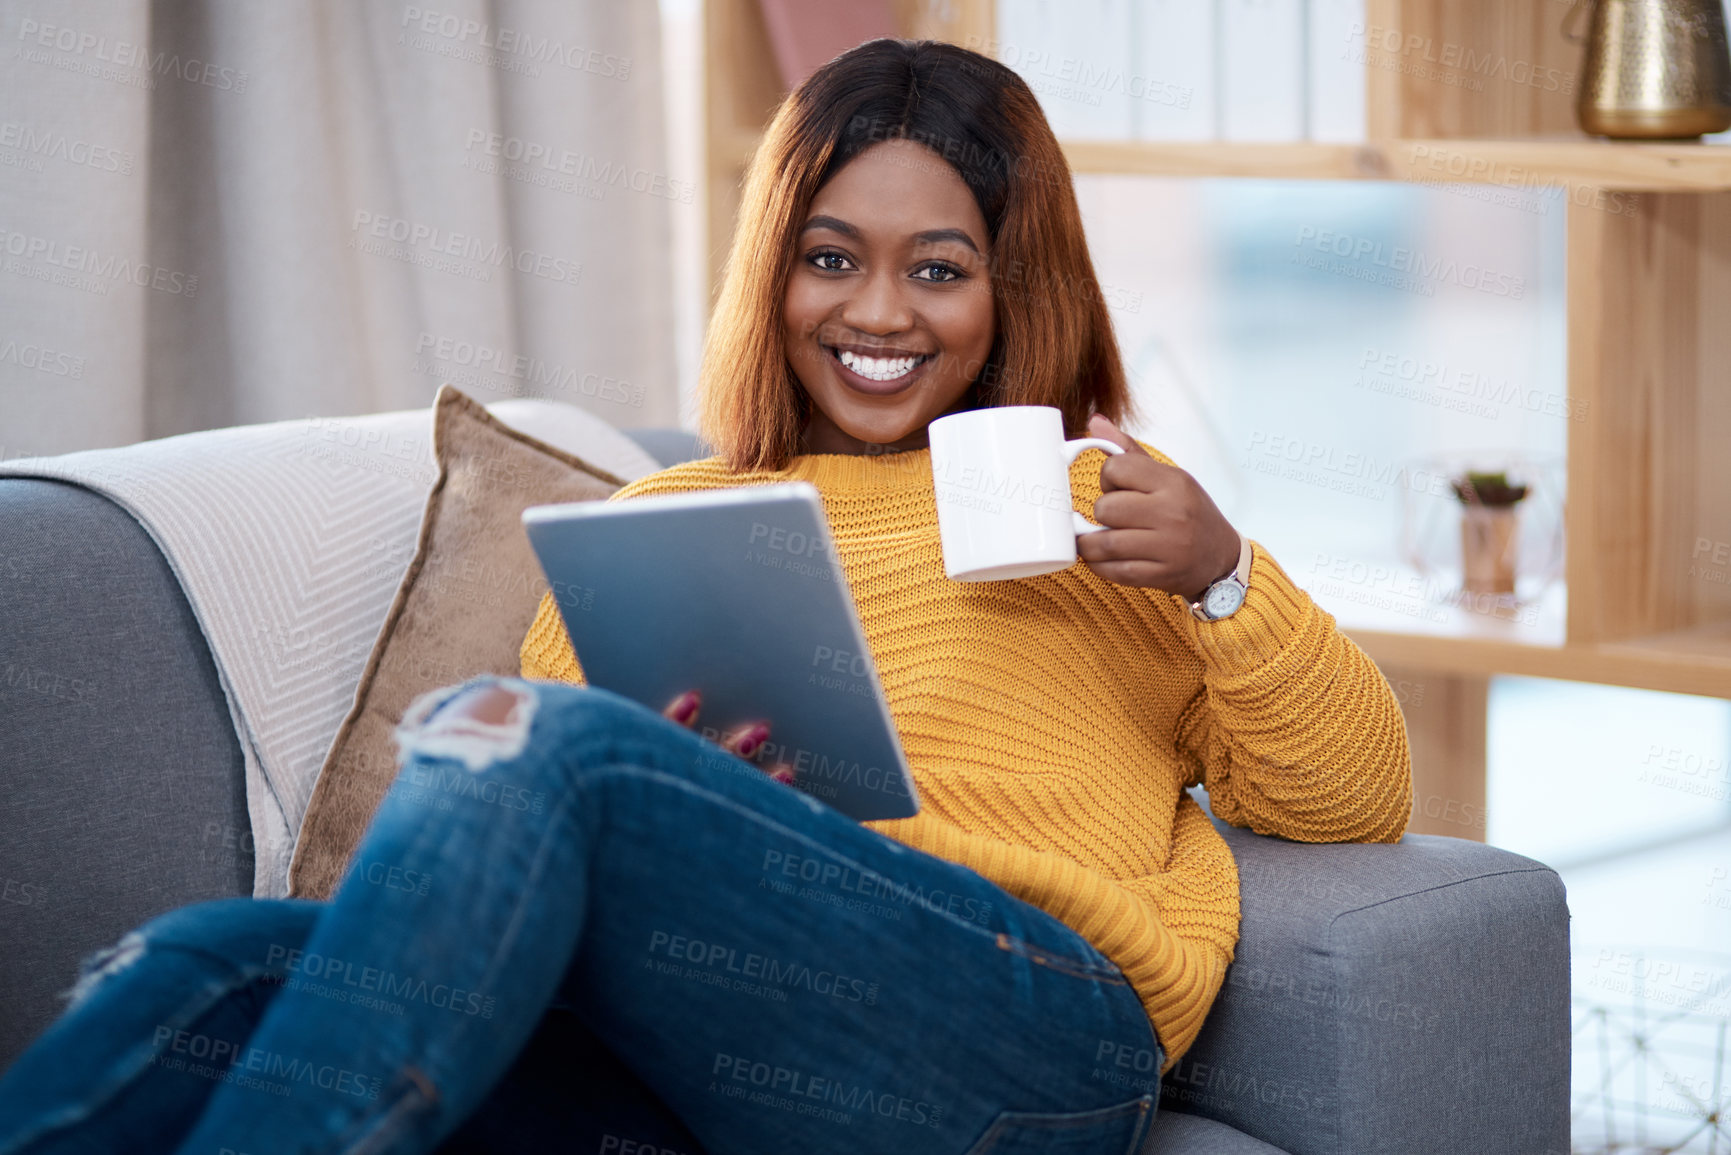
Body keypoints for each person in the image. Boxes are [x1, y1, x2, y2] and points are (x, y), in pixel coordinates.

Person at [0, 38, 1411, 1155]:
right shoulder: (663, 521)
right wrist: (692, 807)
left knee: (536, 737)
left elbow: (1352, 803)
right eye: (829, 258)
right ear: (774, 273)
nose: (877, 313)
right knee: (213, 965)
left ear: (1010, 289)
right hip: (709, 1070)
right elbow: (531, 831)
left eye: (939, 269)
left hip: (1024, 1044)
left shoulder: (1105, 508)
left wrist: (1228, 578)